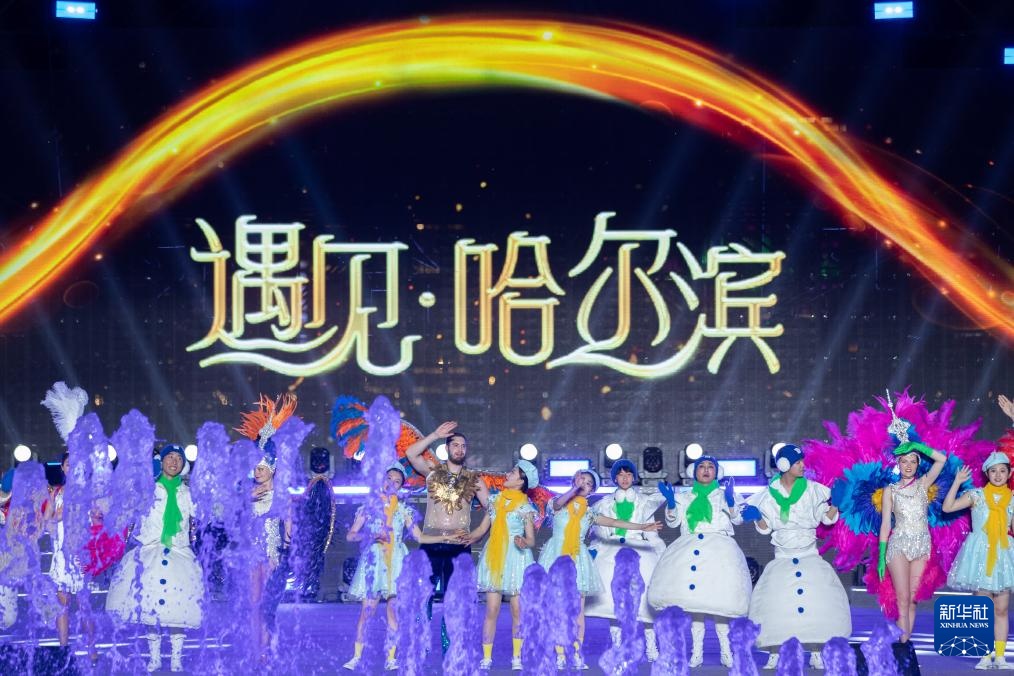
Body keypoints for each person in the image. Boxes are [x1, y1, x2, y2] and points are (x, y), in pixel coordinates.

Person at [537, 468, 662, 670]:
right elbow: (559, 503)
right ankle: (559, 653)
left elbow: (613, 522)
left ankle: (576, 653)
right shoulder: (557, 504)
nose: (584, 484)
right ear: (574, 481)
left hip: (577, 559)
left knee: (577, 611)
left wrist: (640, 527)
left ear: (592, 491)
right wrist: (574, 489)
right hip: (556, 558)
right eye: (581, 480)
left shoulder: (590, 513)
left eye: (588, 484)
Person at [744, 444, 851, 670]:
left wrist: (836, 504)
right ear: (784, 465)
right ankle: (774, 652)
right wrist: (758, 517)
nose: (803, 465)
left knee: (816, 604)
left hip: (809, 555)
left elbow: (826, 519)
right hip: (782, 557)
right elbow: (766, 528)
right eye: (797, 462)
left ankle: (816, 651)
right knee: (777, 605)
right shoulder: (768, 496)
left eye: (802, 461)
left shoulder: (814, 490)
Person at [106, 445, 204, 673]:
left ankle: (176, 657)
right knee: (150, 608)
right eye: (170, 457)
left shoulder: (188, 493)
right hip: (150, 552)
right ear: (162, 461)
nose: (174, 462)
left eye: (178, 458)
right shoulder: (147, 490)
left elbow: (203, 513)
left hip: (180, 553)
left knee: (179, 607)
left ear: (183, 464)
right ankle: (155, 656)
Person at [647, 456, 752, 668]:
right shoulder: (685, 497)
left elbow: (739, 520)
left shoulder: (725, 494)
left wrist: (731, 501)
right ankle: (697, 652)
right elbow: (673, 522)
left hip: (719, 550)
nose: (706, 470)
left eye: (710, 467)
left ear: (717, 472)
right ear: (694, 472)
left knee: (720, 601)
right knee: (696, 602)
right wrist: (671, 503)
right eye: (701, 467)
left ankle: (726, 651)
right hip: (690, 546)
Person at [343, 464, 437, 671]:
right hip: (374, 561)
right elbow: (351, 535)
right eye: (389, 478)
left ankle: (391, 657)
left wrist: (445, 538)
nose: (392, 483)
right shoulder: (369, 506)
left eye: (397, 482)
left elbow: (419, 536)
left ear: (401, 487)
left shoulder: (403, 510)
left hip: (396, 562)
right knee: (367, 612)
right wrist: (371, 535)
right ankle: (357, 656)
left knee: (393, 611)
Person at [405, 421, 489, 651]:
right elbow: (410, 453)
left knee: (456, 598)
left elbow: (493, 509)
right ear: (447, 448)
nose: (460, 449)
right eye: (455, 445)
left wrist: (478, 533)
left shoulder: (475, 479)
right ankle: (420, 641)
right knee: (423, 594)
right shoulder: (433, 473)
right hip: (431, 542)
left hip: (459, 545)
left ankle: (450, 647)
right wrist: (434, 434)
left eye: (463, 446)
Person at [586, 459, 666, 661]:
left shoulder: (644, 503)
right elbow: (599, 533)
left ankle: (651, 646)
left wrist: (662, 553)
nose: (625, 478)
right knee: (612, 602)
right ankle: (617, 646)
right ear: (614, 478)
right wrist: (593, 552)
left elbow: (651, 534)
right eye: (621, 474)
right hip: (612, 552)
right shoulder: (604, 503)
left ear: (634, 477)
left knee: (645, 602)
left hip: (640, 552)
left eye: (628, 474)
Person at [877, 412, 947, 643]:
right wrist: (881, 557)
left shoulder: (924, 484)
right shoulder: (890, 490)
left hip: (922, 545)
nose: (908, 465)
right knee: (903, 599)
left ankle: (906, 644)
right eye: (904, 461)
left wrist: (917, 446)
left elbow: (941, 460)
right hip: (898, 545)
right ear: (898, 463)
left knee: (914, 600)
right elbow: (886, 523)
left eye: (913, 461)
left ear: (918, 464)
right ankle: (903, 647)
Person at [943, 452, 1014, 669]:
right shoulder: (976, 495)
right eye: (993, 471)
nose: (998, 475)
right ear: (987, 473)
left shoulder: (1012, 499)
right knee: (983, 609)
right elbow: (947, 507)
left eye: (1002, 471)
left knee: (1001, 609)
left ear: (1009, 473)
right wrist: (957, 482)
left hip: (1003, 554)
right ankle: (984, 655)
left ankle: (1000, 657)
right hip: (980, 555)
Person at [466, 460, 539, 671]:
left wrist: (524, 541)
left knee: (517, 610)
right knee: (492, 609)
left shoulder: (525, 508)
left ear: (521, 481)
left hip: (517, 559)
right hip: (494, 557)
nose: (508, 473)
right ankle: (487, 657)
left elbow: (531, 540)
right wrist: (465, 538)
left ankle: (517, 656)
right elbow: (481, 530)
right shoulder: (495, 501)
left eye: (513, 472)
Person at [293, 446, 336, 602]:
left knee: (318, 549)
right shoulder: (312, 484)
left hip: (322, 516)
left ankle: (312, 584)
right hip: (311, 519)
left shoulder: (324, 485)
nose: (319, 464)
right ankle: (307, 584)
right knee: (310, 548)